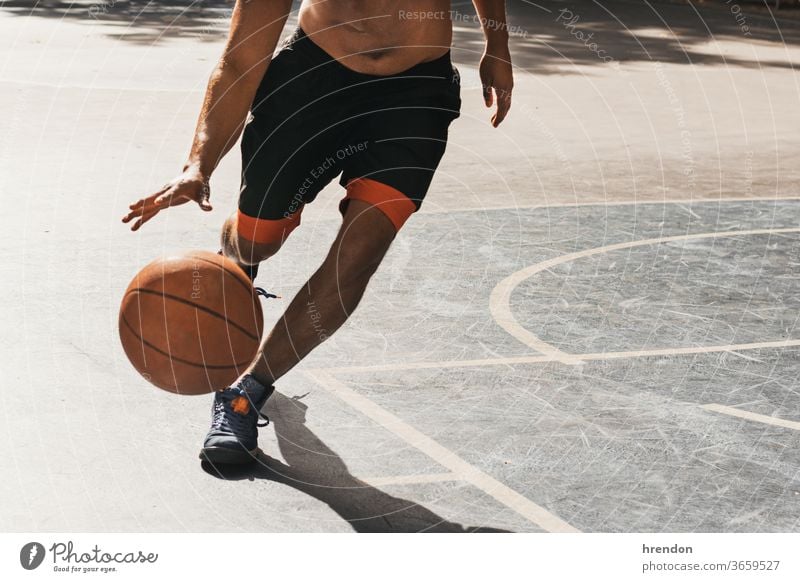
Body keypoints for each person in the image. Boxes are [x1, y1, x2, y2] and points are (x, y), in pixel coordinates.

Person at [122, 0, 514, 465]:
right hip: (313, 80)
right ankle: (236, 270)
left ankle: (246, 392)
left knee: (358, 256)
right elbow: (241, 61)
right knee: (254, 239)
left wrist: (498, 44)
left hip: (415, 94)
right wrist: (199, 165)